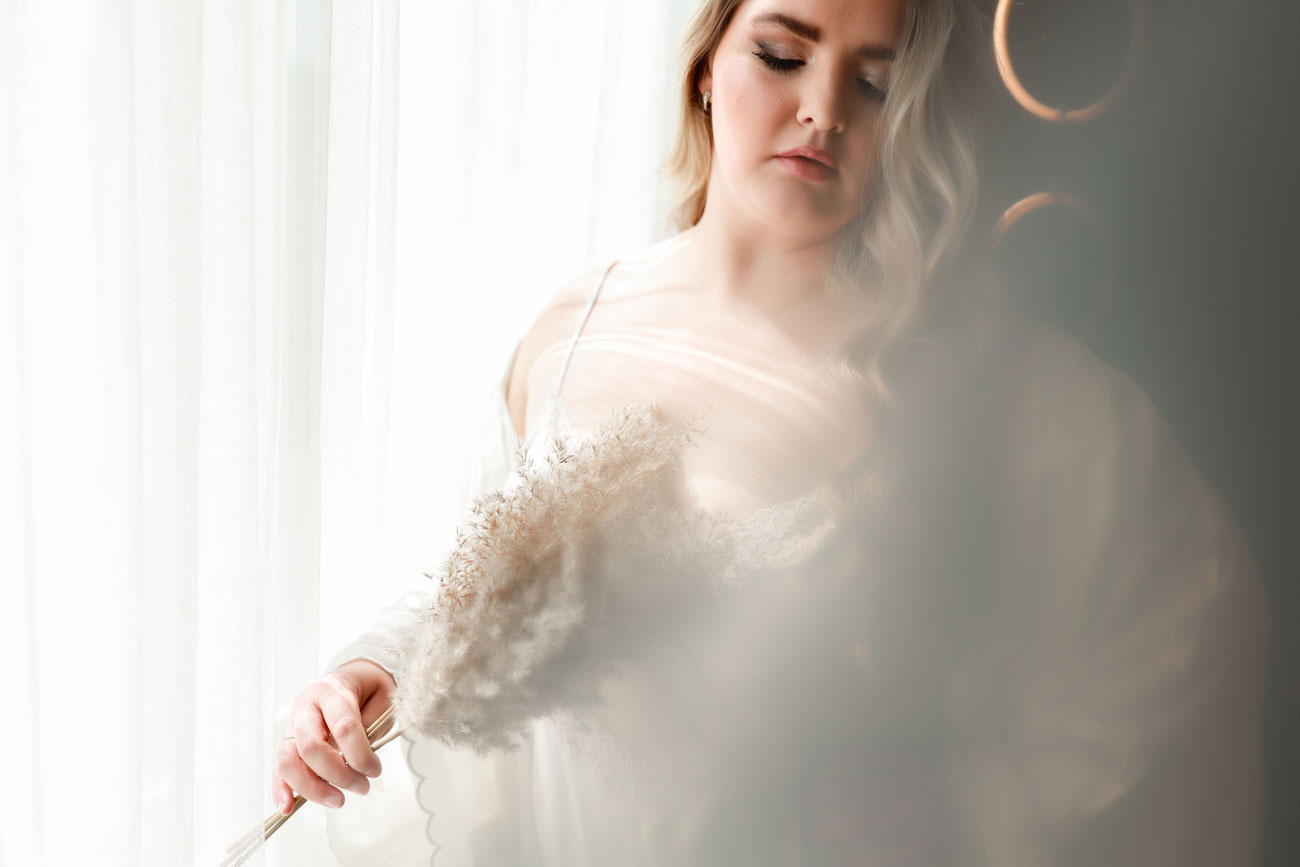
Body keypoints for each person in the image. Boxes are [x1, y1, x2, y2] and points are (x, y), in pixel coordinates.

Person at [270, 0, 1270, 864]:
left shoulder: (974, 377)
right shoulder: (576, 325)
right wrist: (372, 672)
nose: (823, 110)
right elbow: (482, 575)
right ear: (708, 66)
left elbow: (1192, 622)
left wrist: (976, 807)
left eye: (875, 85)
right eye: (783, 55)